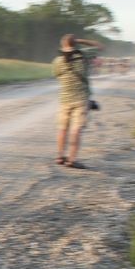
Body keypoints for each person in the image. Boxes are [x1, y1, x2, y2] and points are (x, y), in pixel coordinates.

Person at [52, 33, 100, 168]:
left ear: (62, 45)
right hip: (81, 98)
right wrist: (80, 40)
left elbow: (56, 75)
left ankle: (60, 156)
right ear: (75, 44)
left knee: (62, 128)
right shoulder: (83, 55)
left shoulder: (57, 60)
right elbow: (99, 46)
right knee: (76, 129)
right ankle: (72, 159)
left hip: (64, 99)